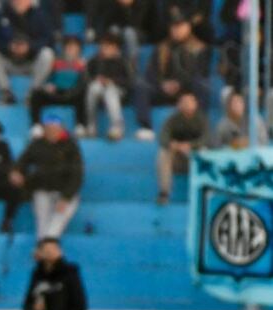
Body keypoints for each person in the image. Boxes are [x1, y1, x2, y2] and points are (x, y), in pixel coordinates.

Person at [133, 11, 210, 141]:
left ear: (188, 27)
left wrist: (180, 84)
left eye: (181, 26)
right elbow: (151, 74)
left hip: (186, 92)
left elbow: (200, 73)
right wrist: (162, 85)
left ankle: (198, 126)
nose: (177, 30)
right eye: (174, 26)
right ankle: (146, 127)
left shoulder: (199, 48)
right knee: (141, 86)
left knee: (202, 85)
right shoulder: (162, 48)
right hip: (163, 90)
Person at [10, 114, 83, 238]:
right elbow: (23, 161)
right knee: (42, 222)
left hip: (64, 190)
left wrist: (66, 196)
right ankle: (46, 243)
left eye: (55, 129)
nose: (52, 132)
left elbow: (77, 174)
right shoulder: (37, 145)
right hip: (42, 188)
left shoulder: (71, 146)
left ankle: (47, 242)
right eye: (48, 129)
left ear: (61, 129)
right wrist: (17, 172)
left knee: (59, 218)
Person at [0, 0, 55, 104]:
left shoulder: (40, 15)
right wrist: (9, 47)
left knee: (47, 54)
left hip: (31, 62)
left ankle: (33, 94)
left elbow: (48, 40)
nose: (19, 1)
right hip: (9, 61)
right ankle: (6, 93)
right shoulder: (1, 15)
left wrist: (30, 47)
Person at [28, 36, 87, 138]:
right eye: (69, 46)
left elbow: (83, 82)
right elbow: (49, 78)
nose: (71, 50)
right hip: (56, 93)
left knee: (83, 95)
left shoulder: (83, 64)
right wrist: (49, 86)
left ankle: (80, 125)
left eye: (74, 47)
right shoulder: (56, 62)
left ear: (79, 49)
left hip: (73, 95)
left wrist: (72, 92)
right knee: (37, 94)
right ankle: (36, 125)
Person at [156, 91, 208, 204]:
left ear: (195, 104)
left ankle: (203, 193)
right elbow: (163, 137)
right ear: (179, 104)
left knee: (204, 152)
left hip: (194, 157)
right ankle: (164, 192)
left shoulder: (202, 119)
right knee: (163, 153)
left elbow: (206, 139)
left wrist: (191, 145)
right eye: (184, 102)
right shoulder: (172, 119)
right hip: (178, 158)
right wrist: (173, 144)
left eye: (190, 102)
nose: (187, 105)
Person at [84, 32, 132, 140]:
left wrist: (111, 81)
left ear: (115, 48)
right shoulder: (94, 60)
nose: (104, 49)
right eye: (103, 46)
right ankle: (91, 124)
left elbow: (129, 81)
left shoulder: (123, 61)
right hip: (99, 90)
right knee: (94, 87)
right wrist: (96, 79)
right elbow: (86, 78)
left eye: (108, 46)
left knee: (110, 90)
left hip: (119, 90)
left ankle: (117, 127)